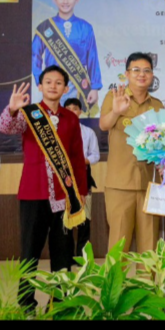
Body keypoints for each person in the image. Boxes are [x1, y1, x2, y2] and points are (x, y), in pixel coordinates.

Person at [0, 66, 88, 309]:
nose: (53, 86)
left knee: (63, 251)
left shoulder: (71, 119)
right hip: (33, 194)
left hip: (64, 196)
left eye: (58, 83)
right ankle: (26, 302)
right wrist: (12, 109)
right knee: (30, 251)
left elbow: (77, 158)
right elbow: (6, 128)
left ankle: (59, 302)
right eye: (48, 82)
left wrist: (81, 192)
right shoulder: (28, 113)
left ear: (66, 88)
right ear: (40, 86)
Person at [99, 52, 164, 253]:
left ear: (152, 75)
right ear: (126, 74)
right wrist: (116, 111)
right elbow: (103, 125)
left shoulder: (157, 105)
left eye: (147, 70)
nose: (141, 74)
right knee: (118, 245)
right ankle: (115, 277)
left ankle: (148, 277)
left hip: (150, 184)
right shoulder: (114, 97)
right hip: (120, 184)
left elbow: (163, 143)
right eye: (136, 70)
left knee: (149, 246)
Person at [32, 0, 102, 115]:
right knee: (53, 119)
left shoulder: (85, 27)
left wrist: (94, 87)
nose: (65, 1)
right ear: (54, 0)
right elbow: (34, 55)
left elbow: (92, 58)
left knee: (76, 120)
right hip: (53, 84)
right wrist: (40, 80)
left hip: (78, 84)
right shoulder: (45, 27)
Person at [64, 98, 100, 259]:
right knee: (65, 218)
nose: (72, 111)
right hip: (64, 179)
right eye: (68, 109)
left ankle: (82, 256)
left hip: (83, 177)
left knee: (85, 219)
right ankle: (66, 256)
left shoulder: (88, 132)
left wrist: (81, 161)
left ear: (80, 111)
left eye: (75, 108)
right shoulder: (57, 131)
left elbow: (95, 155)